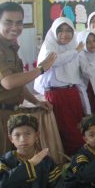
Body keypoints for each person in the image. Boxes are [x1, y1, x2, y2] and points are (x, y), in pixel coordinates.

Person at [0, 1, 55, 188]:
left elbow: (18, 83)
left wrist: (37, 101)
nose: (15, 27)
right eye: (8, 22)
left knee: (15, 169)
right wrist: (42, 69)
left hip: (9, 116)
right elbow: (8, 83)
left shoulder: (11, 48)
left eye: (19, 22)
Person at [34, 17, 85, 155]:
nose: (65, 34)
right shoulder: (49, 46)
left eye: (69, 30)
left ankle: (82, 161)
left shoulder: (74, 45)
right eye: (60, 30)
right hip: (56, 95)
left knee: (79, 127)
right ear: (54, 32)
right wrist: (75, 51)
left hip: (72, 92)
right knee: (67, 131)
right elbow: (54, 60)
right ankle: (73, 162)